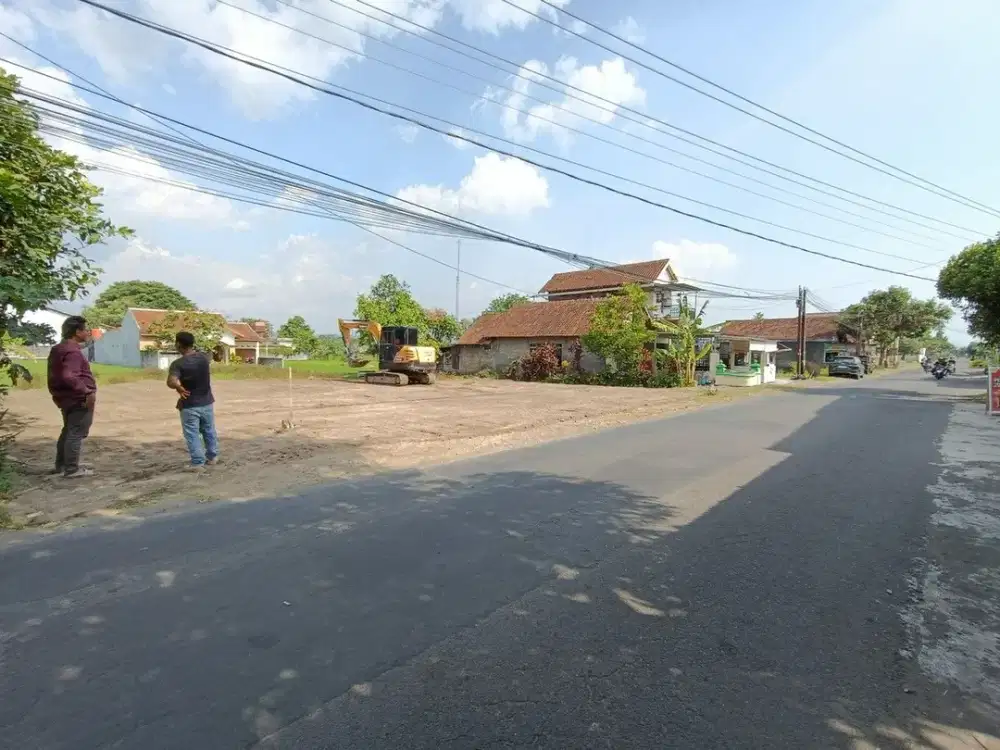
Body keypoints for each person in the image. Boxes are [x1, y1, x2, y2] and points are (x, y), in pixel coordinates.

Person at [47, 315, 96, 478]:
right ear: (77, 332)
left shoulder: (58, 349)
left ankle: (62, 465)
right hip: (77, 398)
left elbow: (56, 375)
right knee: (75, 432)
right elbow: (69, 376)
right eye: (85, 329)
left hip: (65, 397)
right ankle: (72, 469)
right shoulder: (72, 351)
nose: (88, 332)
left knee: (68, 430)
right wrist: (86, 391)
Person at [166, 331, 219, 470]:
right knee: (209, 430)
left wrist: (178, 387)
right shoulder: (204, 359)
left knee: (192, 434)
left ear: (178, 344)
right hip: (207, 401)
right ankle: (212, 457)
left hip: (189, 404)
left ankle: (197, 462)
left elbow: (171, 381)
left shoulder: (178, 364)